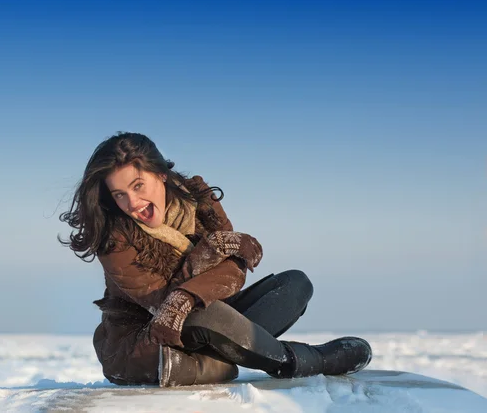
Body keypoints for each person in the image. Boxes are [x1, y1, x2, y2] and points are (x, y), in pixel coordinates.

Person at [59, 132, 372, 387]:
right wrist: (207, 255)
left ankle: (216, 361)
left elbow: (233, 270)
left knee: (293, 284)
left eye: (137, 186)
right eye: (119, 195)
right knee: (200, 312)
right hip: (148, 341)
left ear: (160, 175)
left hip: (206, 319)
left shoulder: (198, 201)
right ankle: (303, 361)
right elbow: (164, 303)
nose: (133, 203)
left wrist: (214, 262)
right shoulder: (115, 239)